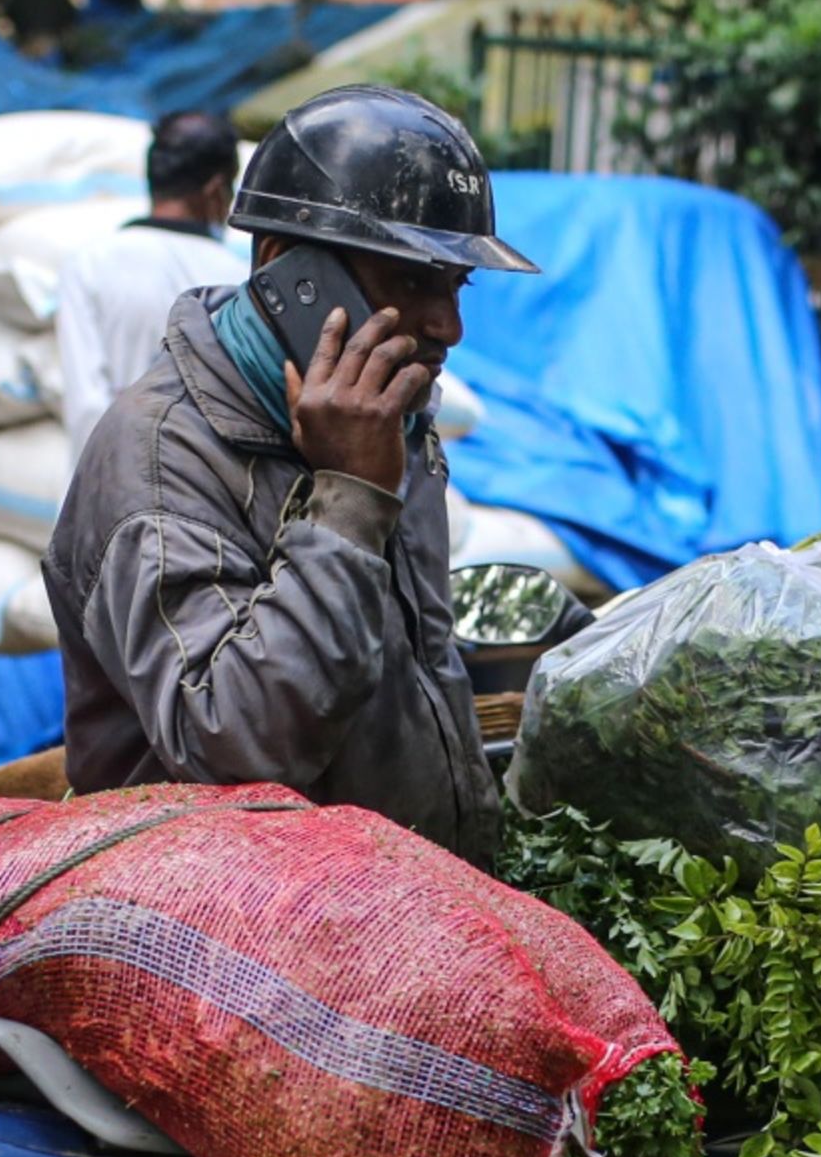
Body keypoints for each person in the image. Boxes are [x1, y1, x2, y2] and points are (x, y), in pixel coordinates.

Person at [44, 83, 525, 863]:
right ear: (286, 271)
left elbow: (426, 679)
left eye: (454, 285)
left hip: (386, 919)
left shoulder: (390, 421)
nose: (449, 326)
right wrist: (348, 502)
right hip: (220, 944)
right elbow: (234, 744)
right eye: (411, 282)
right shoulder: (161, 457)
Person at [54, 105, 248, 461]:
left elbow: (86, 407)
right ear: (217, 190)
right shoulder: (237, 276)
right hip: (204, 489)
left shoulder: (90, 265)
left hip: (109, 483)